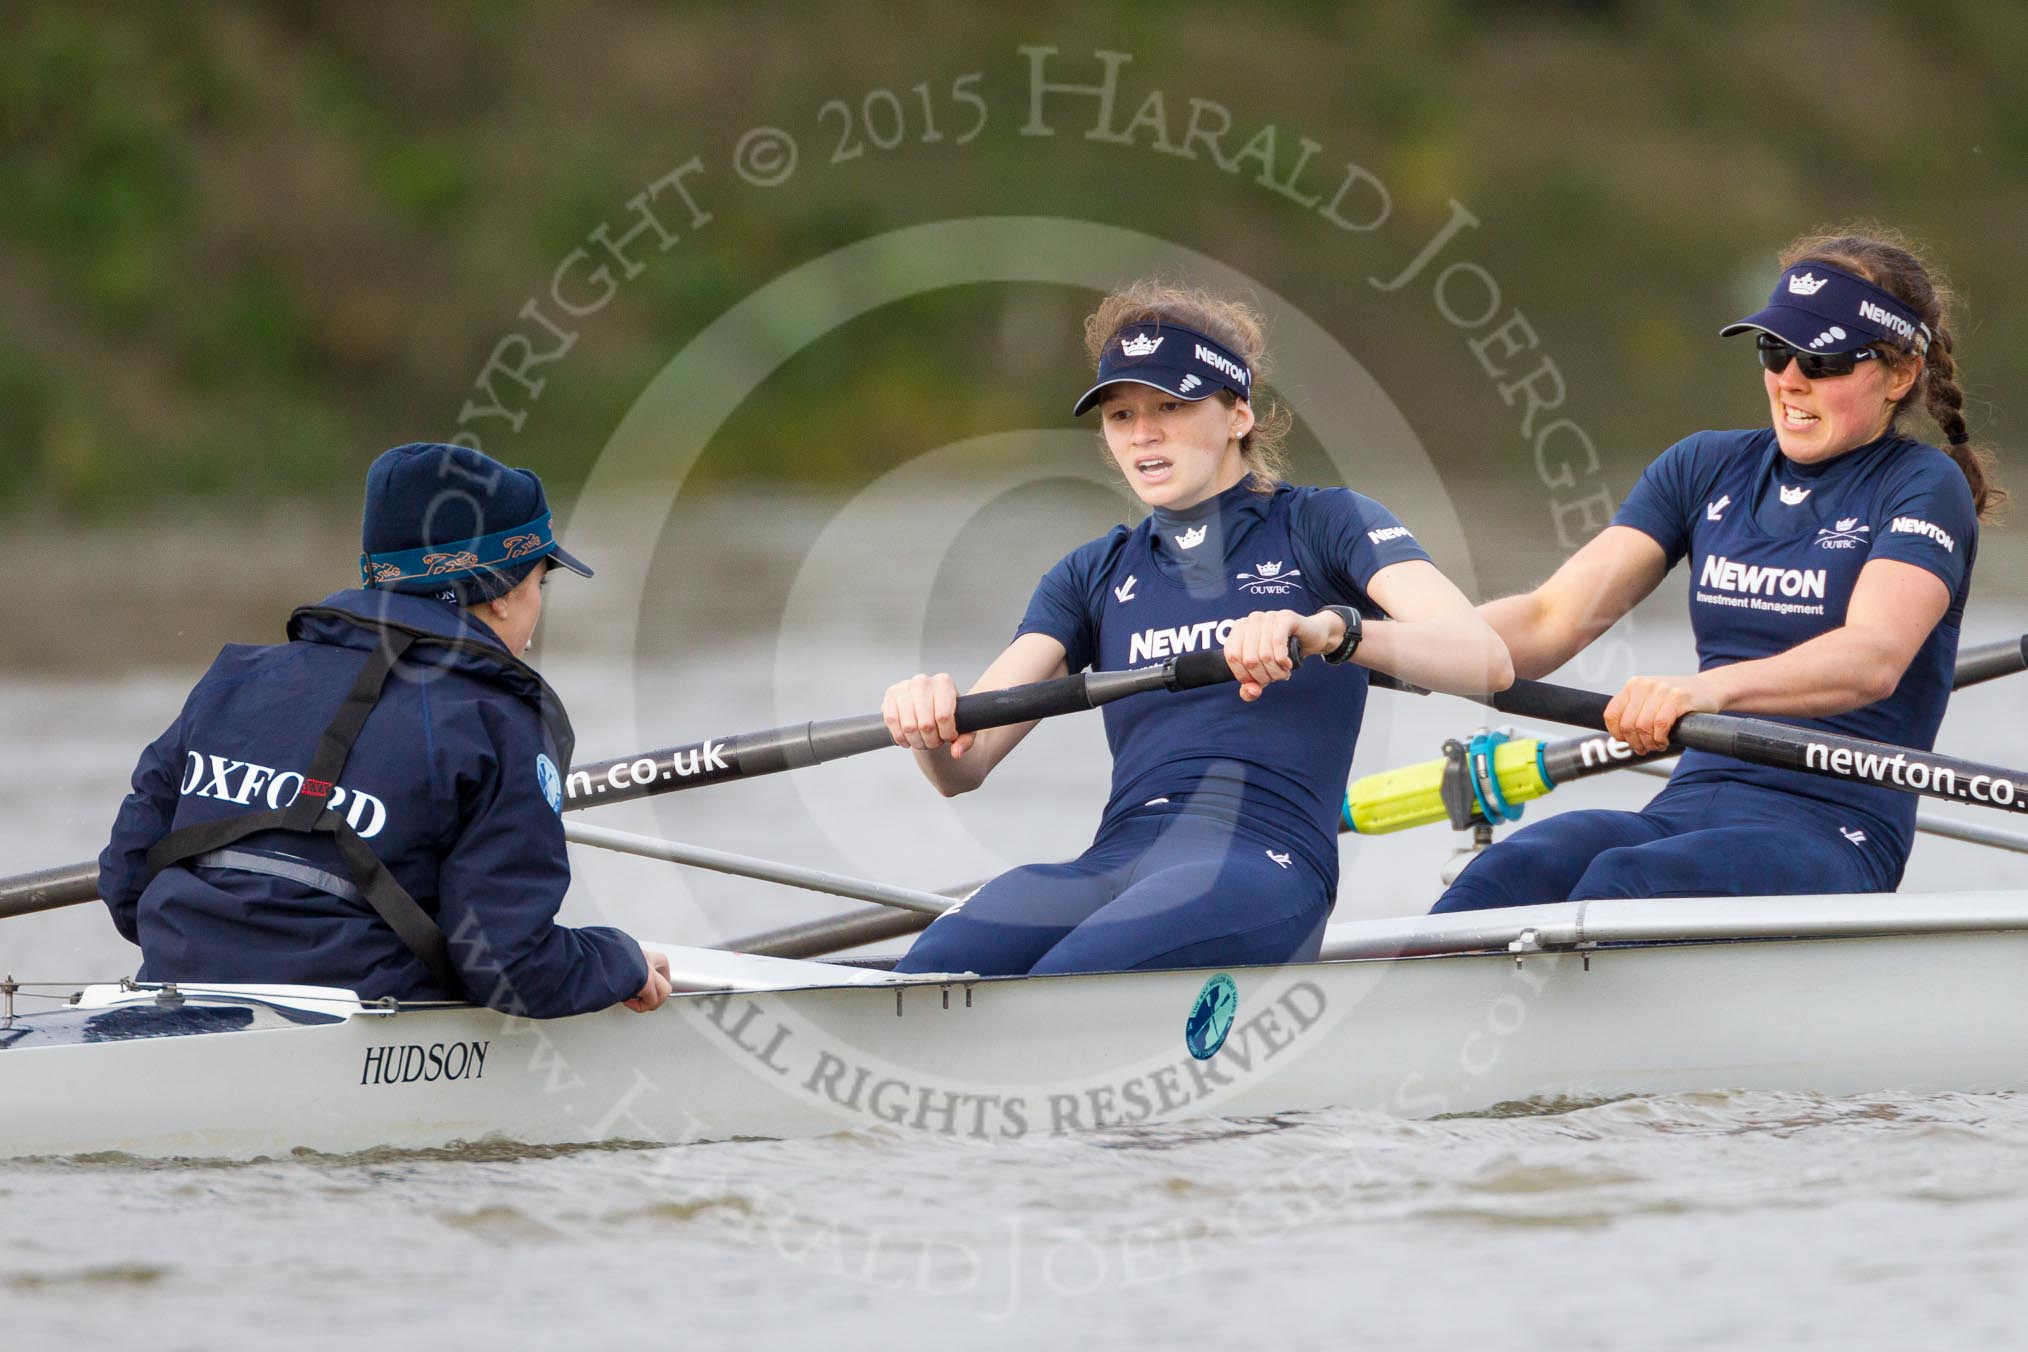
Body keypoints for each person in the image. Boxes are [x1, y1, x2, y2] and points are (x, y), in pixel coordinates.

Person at [882, 282, 1513, 976]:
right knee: (939, 963)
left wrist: (1332, 630)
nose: (1143, 433)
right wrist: (929, 724)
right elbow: (962, 768)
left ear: (1238, 412)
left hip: (1260, 864)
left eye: (1171, 406)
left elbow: (1485, 659)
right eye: (1121, 415)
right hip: (1114, 861)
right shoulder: (1091, 573)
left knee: (1071, 975)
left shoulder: (1327, 525)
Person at [1434, 229, 2002, 914]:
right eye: (1776, 349)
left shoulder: (1921, 486)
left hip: (1830, 829)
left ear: (1900, 374)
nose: (1790, 377)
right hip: (1688, 806)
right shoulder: (1705, 466)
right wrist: (1363, 638)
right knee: (1510, 872)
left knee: (1624, 885)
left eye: (1822, 360)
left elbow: (1872, 657)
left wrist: (1705, 689)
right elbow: (1548, 620)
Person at [98, 442, 673, 1016]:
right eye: (539, 584)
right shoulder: (496, 722)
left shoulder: (235, 680)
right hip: (360, 1045)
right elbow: (514, 971)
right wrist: (617, 959)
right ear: (500, 594)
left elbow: (126, 881)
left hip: (174, 1006)